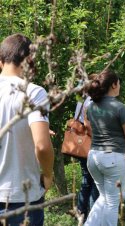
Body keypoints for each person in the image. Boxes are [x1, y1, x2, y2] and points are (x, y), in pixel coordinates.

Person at [0, 34, 54, 225]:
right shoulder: (33, 92)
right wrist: (48, 174)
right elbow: (42, 146)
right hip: (21, 198)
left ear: (1, 61)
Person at [84, 70, 125, 226]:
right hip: (112, 158)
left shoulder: (91, 107)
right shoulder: (119, 107)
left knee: (105, 197)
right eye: (118, 82)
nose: (119, 85)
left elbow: (89, 128)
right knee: (113, 202)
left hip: (93, 157)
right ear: (114, 85)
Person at [74, 94, 99, 221]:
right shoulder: (91, 101)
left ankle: (81, 213)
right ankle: (92, 217)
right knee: (94, 180)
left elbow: (76, 119)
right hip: (91, 143)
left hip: (82, 144)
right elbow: (87, 124)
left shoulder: (82, 100)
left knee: (86, 180)